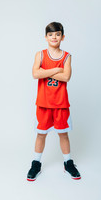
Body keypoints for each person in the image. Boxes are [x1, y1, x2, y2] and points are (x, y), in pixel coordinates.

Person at [27, 22, 81, 181]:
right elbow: (35, 74)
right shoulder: (40, 54)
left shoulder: (67, 56)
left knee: (63, 134)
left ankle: (68, 162)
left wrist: (46, 72)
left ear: (62, 37)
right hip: (43, 103)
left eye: (57, 34)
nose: (54, 37)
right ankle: (36, 163)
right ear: (46, 37)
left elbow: (66, 77)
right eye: (50, 34)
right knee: (41, 134)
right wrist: (57, 69)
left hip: (61, 103)